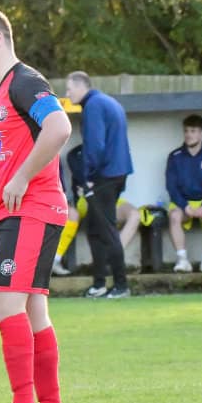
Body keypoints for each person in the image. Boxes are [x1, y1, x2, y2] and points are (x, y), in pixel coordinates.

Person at [0, 9, 72, 403]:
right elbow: (0, 156)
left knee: (5, 303)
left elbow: (59, 128)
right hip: (15, 212)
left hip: (34, 209)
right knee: (33, 309)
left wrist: (24, 178)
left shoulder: (26, 82)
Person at [64, 71, 134, 298]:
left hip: (103, 176)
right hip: (117, 173)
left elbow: (95, 145)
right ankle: (99, 283)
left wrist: (88, 177)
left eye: (69, 89)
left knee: (107, 229)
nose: (67, 93)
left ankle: (121, 285)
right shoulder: (108, 101)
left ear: (81, 86)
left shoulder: (93, 106)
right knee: (95, 228)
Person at [51, 145, 140, 277]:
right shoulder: (75, 154)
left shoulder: (114, 151)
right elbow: (84, 178)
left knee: (134, 214)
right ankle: (55, 261)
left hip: (110, 199)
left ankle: (113, 258)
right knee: (93, 211)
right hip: (85, 199)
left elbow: (120, 182)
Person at [166, 114, 202, 273]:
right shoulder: (174, 157)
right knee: (174, 216)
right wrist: (185, 206)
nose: (188, 135)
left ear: (201, 133)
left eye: (193, 131)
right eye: (186, 131)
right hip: (183, 202)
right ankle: (183, 260)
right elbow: (171, 187)